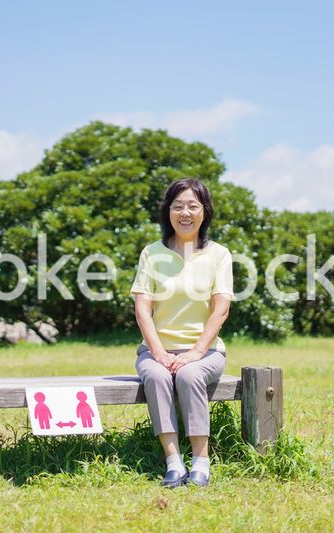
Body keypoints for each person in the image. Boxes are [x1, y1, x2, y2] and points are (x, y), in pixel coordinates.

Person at [131, 178, 233, 488]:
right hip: (156, 351)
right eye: (177, 206)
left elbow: (221, 309)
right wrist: (159, 353)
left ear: (205, 211)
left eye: (192, 206)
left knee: (189, 375)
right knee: (158, 376)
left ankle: (201, 460)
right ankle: (173, 461)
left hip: (206, 353)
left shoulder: (219, 254)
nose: (184, 212)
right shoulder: (151, 253)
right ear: (168, 211)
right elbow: (142, 308)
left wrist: (196, 353)